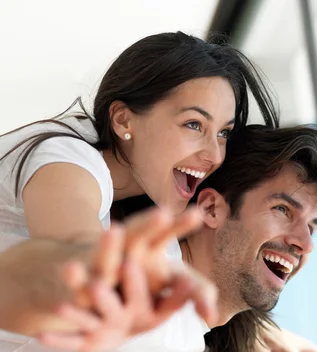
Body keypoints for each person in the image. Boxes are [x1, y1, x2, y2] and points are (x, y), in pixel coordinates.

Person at [0, 124, 317, 352]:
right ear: (211, 207)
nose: (305, 242)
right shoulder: (133, 287)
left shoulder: (181, 318)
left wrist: (259, 336)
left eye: (312, 225)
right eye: (282, 210)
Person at [0, 30, 278, 332]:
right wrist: (100, 277)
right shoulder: (68, 164)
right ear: (123, 120)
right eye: (194, 124)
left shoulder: (131, 192)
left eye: (223, 133)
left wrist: (262, 338)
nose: (214, 154)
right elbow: (74, 248)